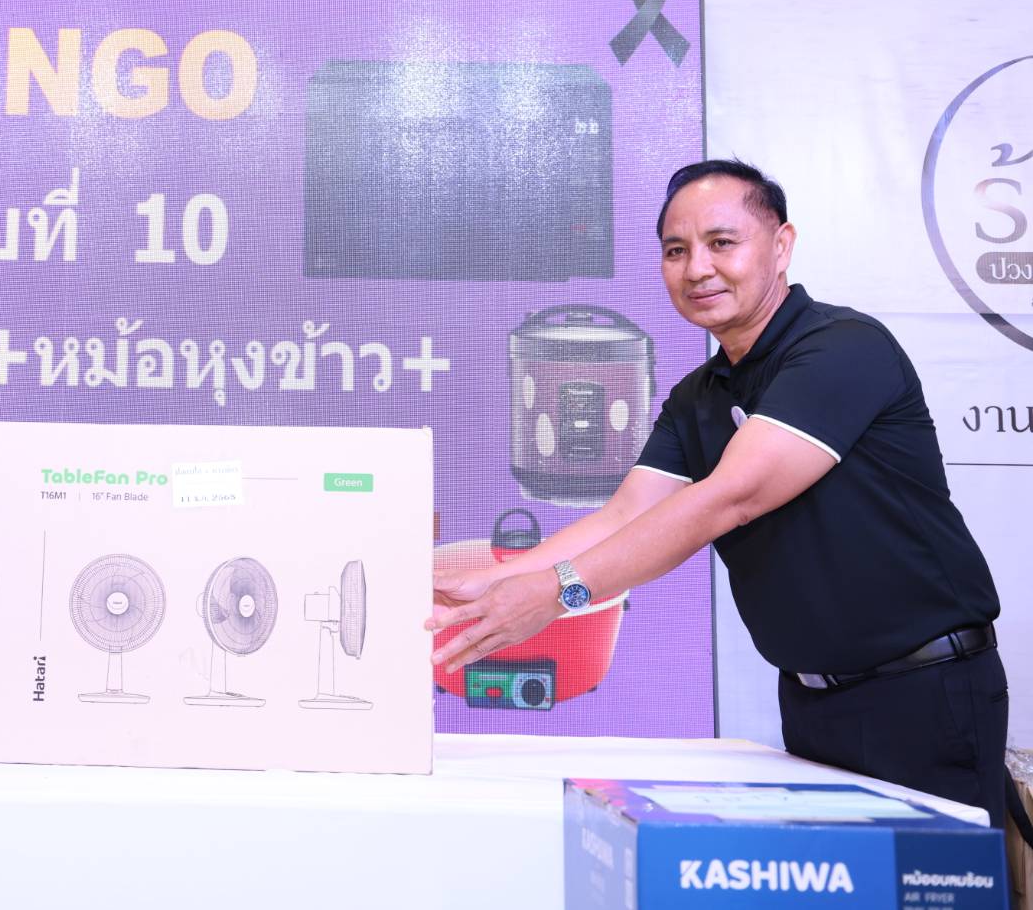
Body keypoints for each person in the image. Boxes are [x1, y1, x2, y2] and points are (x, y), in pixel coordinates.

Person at [429, 159, 1008, 823]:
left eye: (721, 242)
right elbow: (624, 515)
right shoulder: (697, 396)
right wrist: (484, 586)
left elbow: (728, 499)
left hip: (924, 692)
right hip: (812, 703)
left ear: (781, 245)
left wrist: (556, 593)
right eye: (675, 250)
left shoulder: (843, 349)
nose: (697, 268)